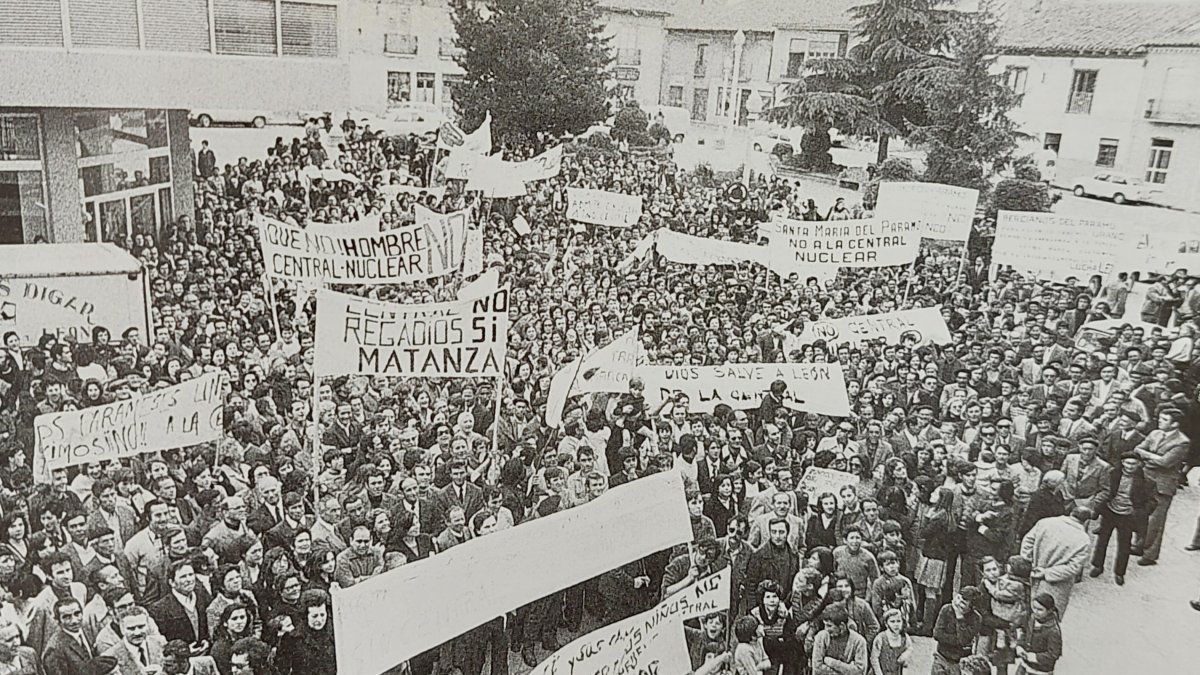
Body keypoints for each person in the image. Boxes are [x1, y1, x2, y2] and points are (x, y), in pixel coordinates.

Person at [1133, 407, 1191, 565]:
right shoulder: (1154, 433)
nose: (1159, 421)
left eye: (1164, 419)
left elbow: (1165, 462)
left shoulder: (1182, 441)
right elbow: (1137, 449)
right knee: (1141, 515)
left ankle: (1150, 554)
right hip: (1146, 478)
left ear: (1175, 424)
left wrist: (1147, 457)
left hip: (1163, 485)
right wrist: (1153, 457)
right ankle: (1139, 545)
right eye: (1160, 418)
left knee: (1156, 521)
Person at [1090, 452, 1151, 585]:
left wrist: (1139, 513)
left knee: (1124, 545)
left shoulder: (1146, 481)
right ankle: (1097, 566)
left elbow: (1152, 502)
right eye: (1127, 463)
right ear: (1122, 462)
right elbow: (1102, 489)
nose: (1130, 466)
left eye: (1133, 463)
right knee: (1102, 540)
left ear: (1139, 464)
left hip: (1128, 516)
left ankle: (1119, 573)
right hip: (1110, 512)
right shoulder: (1112, 474)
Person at [1019, 506, 1091, 615]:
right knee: (1047, 617)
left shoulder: (1045, 523)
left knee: (1026, 613)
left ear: (1071, 513)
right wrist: (1046, 573)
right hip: (1056, 585)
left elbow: (1027, 542)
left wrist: (1029, 562)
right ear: (1086, 521)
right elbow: (1073, 568)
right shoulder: (1083, 540)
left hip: (1032, 575)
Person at [931, 587, 982, 675]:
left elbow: (963, 640)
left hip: (960, 661)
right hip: (941, 656)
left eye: (963, 603)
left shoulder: (976, 618)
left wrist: (959, 618)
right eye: (958, 598)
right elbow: (937, 634)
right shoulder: (946, 609)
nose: (957, 603)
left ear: (971, 607)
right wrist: (957, 640)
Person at [810, 605, 868, 675]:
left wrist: (831, 662)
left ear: (842, 626)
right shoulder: (821, 637)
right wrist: (847, 669)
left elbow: (859, 671)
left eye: (829, 626)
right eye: (825, 625)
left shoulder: (859, 641)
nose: (826, 629)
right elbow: (817, 668)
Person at [1014, 594, 1062, 675]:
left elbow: (1054, 654)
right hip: (1024, 665)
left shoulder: (1053, 631)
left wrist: (1033, 657)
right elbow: (1025, 632)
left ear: (1049, 611)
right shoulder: (1032, 618)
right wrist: (1020, 646)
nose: (1035, 612)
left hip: (1040, 671)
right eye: (1034, 608)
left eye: (1040, 610)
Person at [869, 608, 912, 675]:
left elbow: (909, 648)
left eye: (898, 621)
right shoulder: (880, 638)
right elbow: (874, 659)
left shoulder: (904, 637)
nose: (896, 624)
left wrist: (905, 655)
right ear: (886, 624)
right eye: (892, 621)